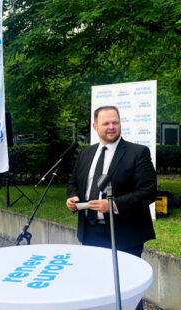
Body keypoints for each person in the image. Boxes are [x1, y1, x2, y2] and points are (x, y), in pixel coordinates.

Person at [66, 106, 157, 310]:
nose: (112, 127)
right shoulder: (86, 154)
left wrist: (113, 205)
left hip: (124, 234)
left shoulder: (137, 152)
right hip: (90, 232)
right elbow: (73, 182)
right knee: (96, 288)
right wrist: (72, 197)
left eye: (115, 122)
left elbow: (149, 191)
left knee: (127, 292)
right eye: (106, 123)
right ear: (95, 126)